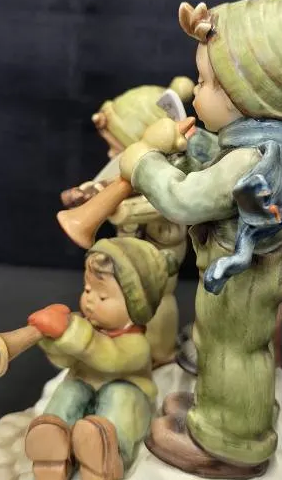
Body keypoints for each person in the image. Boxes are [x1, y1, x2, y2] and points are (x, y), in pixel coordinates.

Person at [117, 0, 282, 479]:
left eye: (207, 82)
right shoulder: (260, 143)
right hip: (245, 269)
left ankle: (232, 440)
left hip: (247, 275)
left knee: (235, 348)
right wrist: (194, 152)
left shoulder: (251, 157)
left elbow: (185, 199)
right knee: (221, 340)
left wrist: (143, 163)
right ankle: (220, 409)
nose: (196, 91)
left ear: (251, 98)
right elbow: (217, 170)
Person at [24, 236, 177, 480]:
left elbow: (109, 357)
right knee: (70, 390)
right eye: (87, 290)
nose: (90, 301)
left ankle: (109, 455)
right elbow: (66, 360)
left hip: (128, 394)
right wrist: (52, 340)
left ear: (135, 308)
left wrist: (74, 335)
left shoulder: (136, 343)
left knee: (120, 398)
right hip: (85, 386)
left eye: (103, 297)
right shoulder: (87, 327)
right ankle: (53, 443)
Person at [60, 78, 194, 366]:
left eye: (117, 149)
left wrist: (120, 209)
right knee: (124, 298)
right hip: (129, 255)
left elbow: (163, 205)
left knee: (159, 300)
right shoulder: (125, 170)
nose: (111, 155)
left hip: (161, 255)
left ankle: (160, 354)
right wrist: (90, 193)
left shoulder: (171, 179)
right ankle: (126, 345)